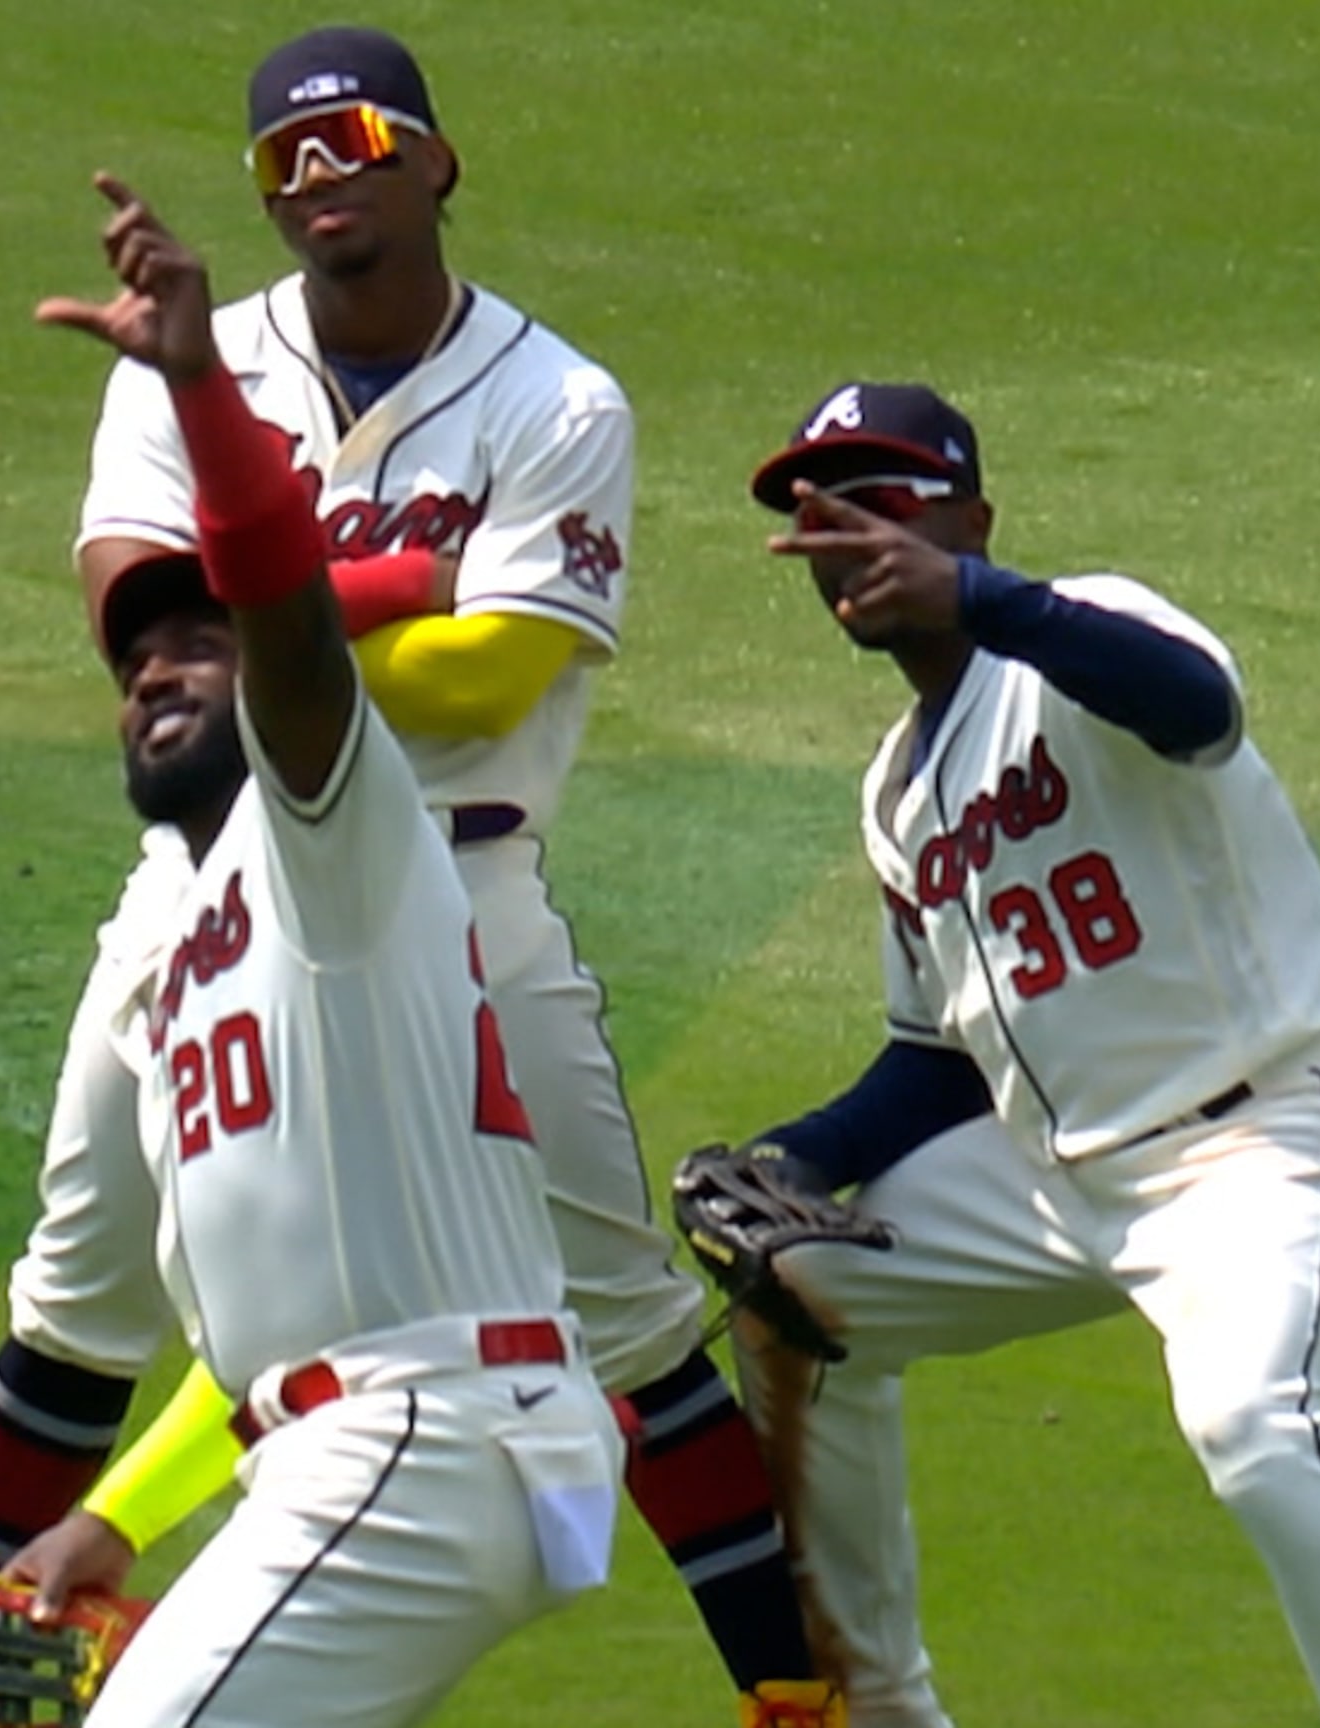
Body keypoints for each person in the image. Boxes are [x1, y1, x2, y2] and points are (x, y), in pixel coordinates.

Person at [41, 23, 836, 1726]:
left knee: (617, 1310)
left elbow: (484, 684)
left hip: (452, 878)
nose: (324, 180)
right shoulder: (199, 388)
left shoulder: (556, 400)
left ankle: (798, 1701)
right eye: (286, 161)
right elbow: (167, 605)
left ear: (439, 158)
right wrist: (401, 576)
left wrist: (286, 614)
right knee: (111, 1276)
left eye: (360, 143)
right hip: (223, 880)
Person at [0, 176, 631, 1728]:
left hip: (430, 1433)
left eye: (201, 641)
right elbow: (281, 1334)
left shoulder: (335, 832)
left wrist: (196, 380)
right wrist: (120, 1515)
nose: (156, 671)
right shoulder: (186, 947)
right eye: (135, 652)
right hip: (376, 1432)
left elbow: (283, 601)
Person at [711, 381, 1320, 1728]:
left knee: (1255, 1431)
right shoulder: (899, 787)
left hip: (1260, 1142)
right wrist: (800, 1154)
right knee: (793, 1298)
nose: (848, 535)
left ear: (973, 517)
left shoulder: (1087, 627)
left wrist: (985, 598)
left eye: (885, 499)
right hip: (1055, 1180)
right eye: (820, 515)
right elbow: (941, 1059)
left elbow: (1196, 707)